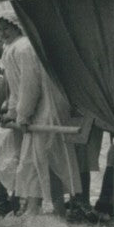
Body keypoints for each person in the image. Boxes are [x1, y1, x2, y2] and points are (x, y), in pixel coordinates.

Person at [11, 33, 81, 216]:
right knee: (53, 162)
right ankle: (59, 211)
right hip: (59, 110)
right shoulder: (52, 43)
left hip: (43, 113)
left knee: (36, 161)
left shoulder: (27, 48)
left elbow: (29, 87)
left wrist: (22, 116)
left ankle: (33, 211)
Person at [0, 17, 29, 216]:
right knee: (10, 153)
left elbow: (24, 85)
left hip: (26, 110)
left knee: (21, 156)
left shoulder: (22, 47)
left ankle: (17, 200)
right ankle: (10, 196)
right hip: (17, 108)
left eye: (6, 28)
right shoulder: (11, 48)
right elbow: (6, 84)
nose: (3, 33)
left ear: (16, 25)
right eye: (0, 30)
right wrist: (0, 110)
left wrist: (16, 113)